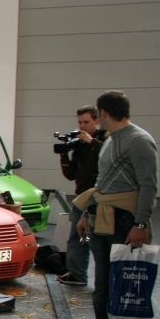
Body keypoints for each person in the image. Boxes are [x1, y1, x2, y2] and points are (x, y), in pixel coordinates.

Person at [75, 91, 159, 319]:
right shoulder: (110, 140)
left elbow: (148, 186)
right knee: (103, 287)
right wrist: (87, 214)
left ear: (104, 114)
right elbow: (102, 181)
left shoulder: (139, 141)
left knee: (129, 286)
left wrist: (139, 224)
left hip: (125, 221)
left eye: (98, 115)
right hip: (102, 217)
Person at [56, 105, 105, 286]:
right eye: (80, 122)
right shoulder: (80, 144)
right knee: (77, 237)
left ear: (96, 120)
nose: (82, 126)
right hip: (81, 197)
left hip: (98, 196)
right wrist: (64, 155)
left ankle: (100, 279)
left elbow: (109, 157)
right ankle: (77, 274)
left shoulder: (105, 139)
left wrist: (91, 141)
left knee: (95, 239)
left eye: (86, 122)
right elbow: (71, 175)